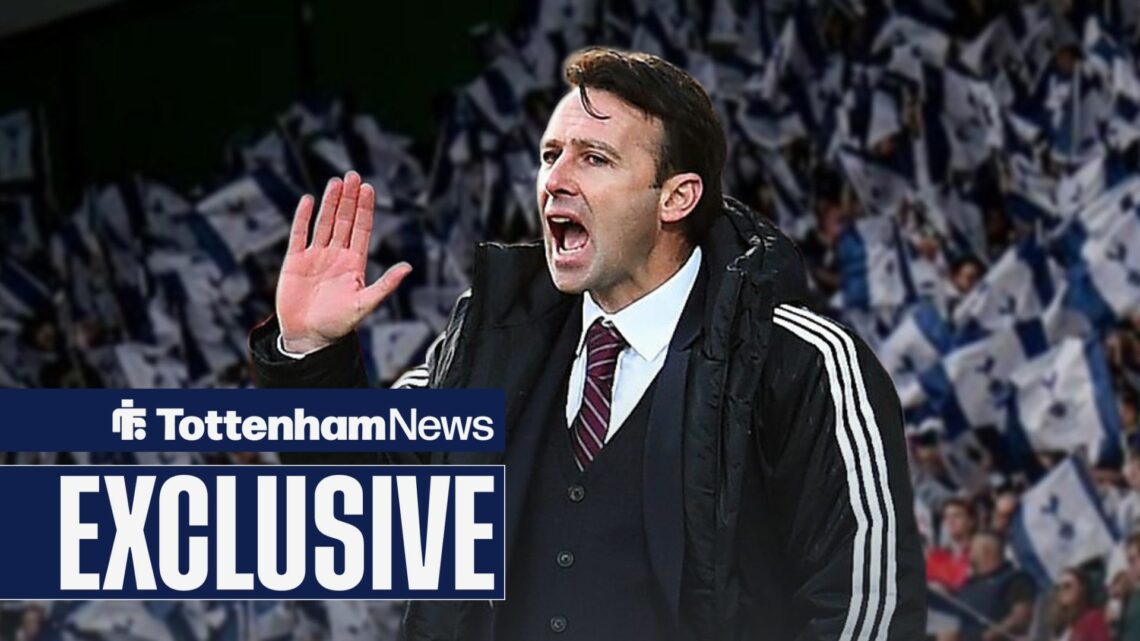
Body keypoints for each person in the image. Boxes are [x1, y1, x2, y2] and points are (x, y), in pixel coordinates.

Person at [249, 47, 925, 640]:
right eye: (551, 156)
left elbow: (865, 611)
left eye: (594, 158)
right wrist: (310, 351)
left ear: (676, 197)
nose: (556, 180)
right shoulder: (488, 340)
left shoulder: (803, 362)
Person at [955, 531, 1036, 641]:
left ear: (987, 552)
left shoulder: (1016, 580)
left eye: (972, 550)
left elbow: (1020, 617)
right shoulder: (968, 585)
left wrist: (990, 635)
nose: (969, 554)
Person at [927, 498, 976, 591]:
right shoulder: (936, 556)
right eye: (947, 517)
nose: (950, 521)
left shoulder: (978, 555)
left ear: (970, 521)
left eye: (957, 516)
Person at [1047, 568, 1110, 641]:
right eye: (1058, 588)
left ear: (1081, 588)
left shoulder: (1092, 618)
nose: (1062, 590)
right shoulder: (1060, 623)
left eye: (1068, 586)